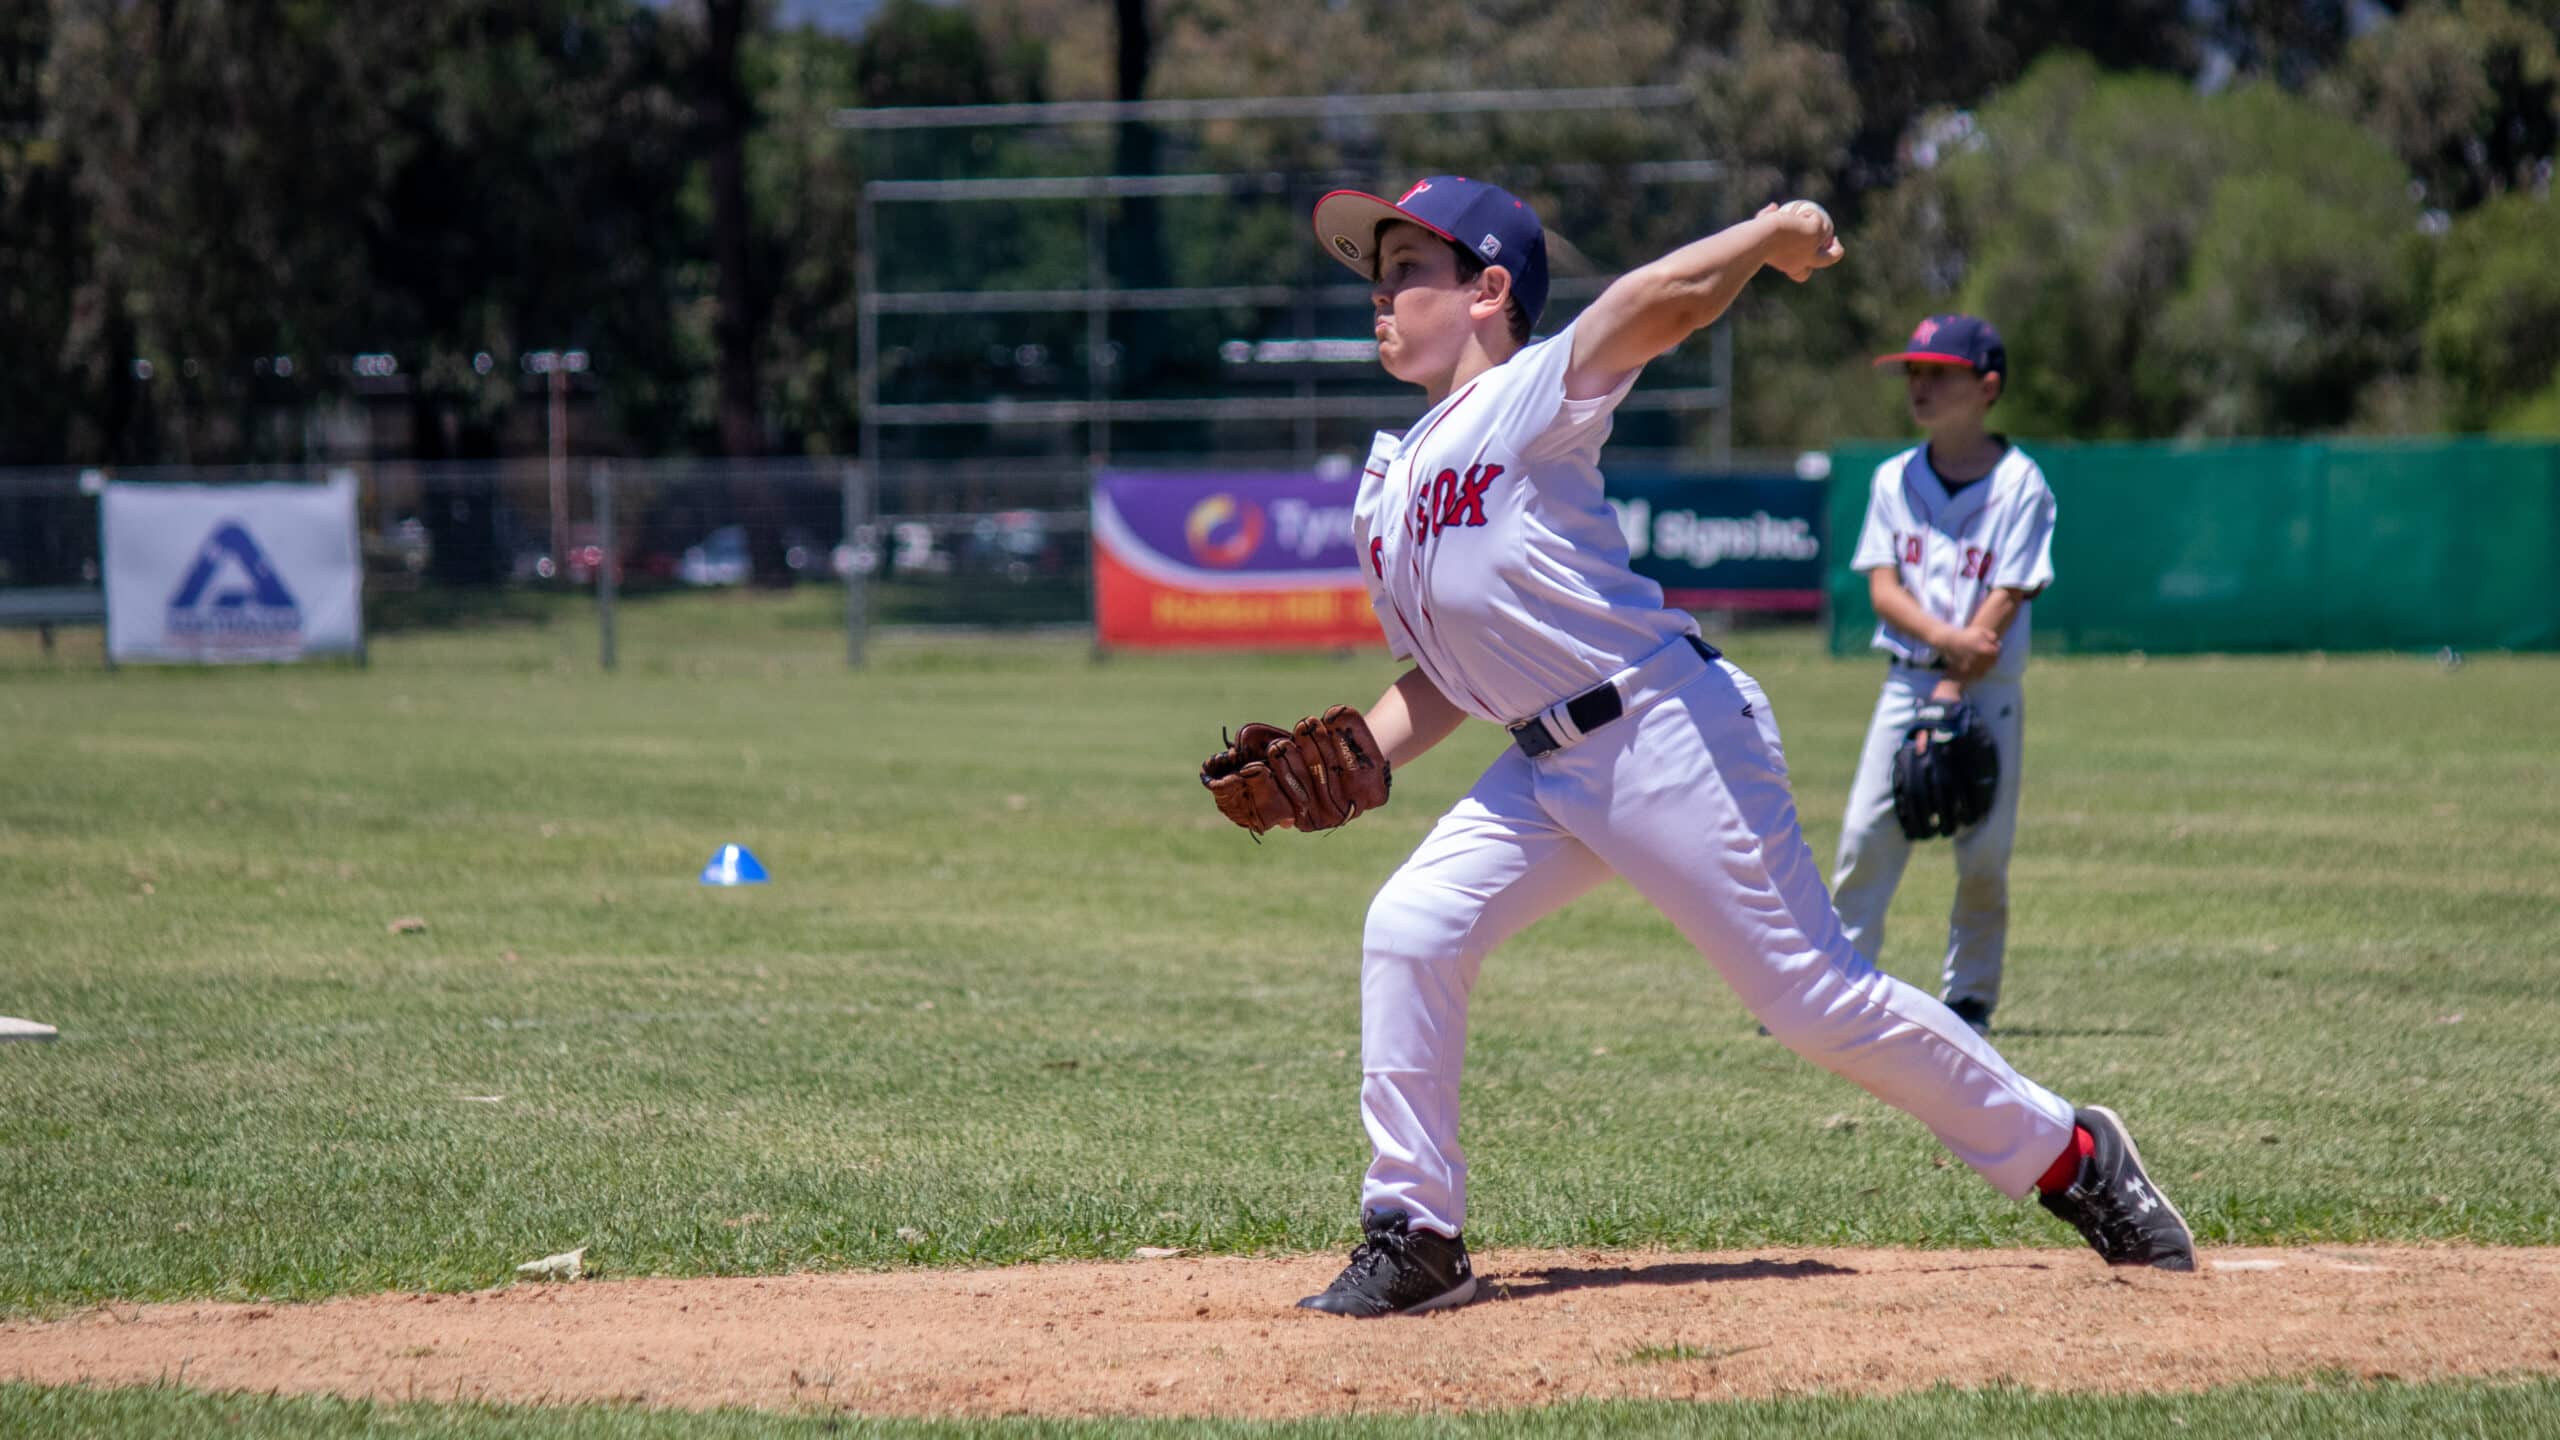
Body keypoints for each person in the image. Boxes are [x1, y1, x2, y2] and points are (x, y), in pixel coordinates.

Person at [1272, 177, 2193, 1318]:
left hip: (1663, 734)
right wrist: (1361, 753)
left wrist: (1765, 236)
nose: (1382, 292)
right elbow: (1451, 679)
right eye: (1378, 272)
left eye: (1408, 268)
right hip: (1545, 763)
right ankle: (1414, 1234)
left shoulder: (1528, 394)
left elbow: (1659, 300)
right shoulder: (1396, 479)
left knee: (1813, 1000)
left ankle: (2071, 1157)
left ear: (1487, 290)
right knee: (1410, 925)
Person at [1832, 316, 2051, 1037]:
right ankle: (1839, 984)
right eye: (1913, 373)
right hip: (1908, 681)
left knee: (1984, 854)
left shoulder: (2022, 484)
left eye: (1939, 373)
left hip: (1988, 689)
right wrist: (1947, 645)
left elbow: (2011, 590)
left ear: (1986, 387)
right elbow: (1884, 588)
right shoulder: (1895, 477)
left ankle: (1971, 997)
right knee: (1866, 835)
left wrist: (1961, 667)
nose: (1919, 386)